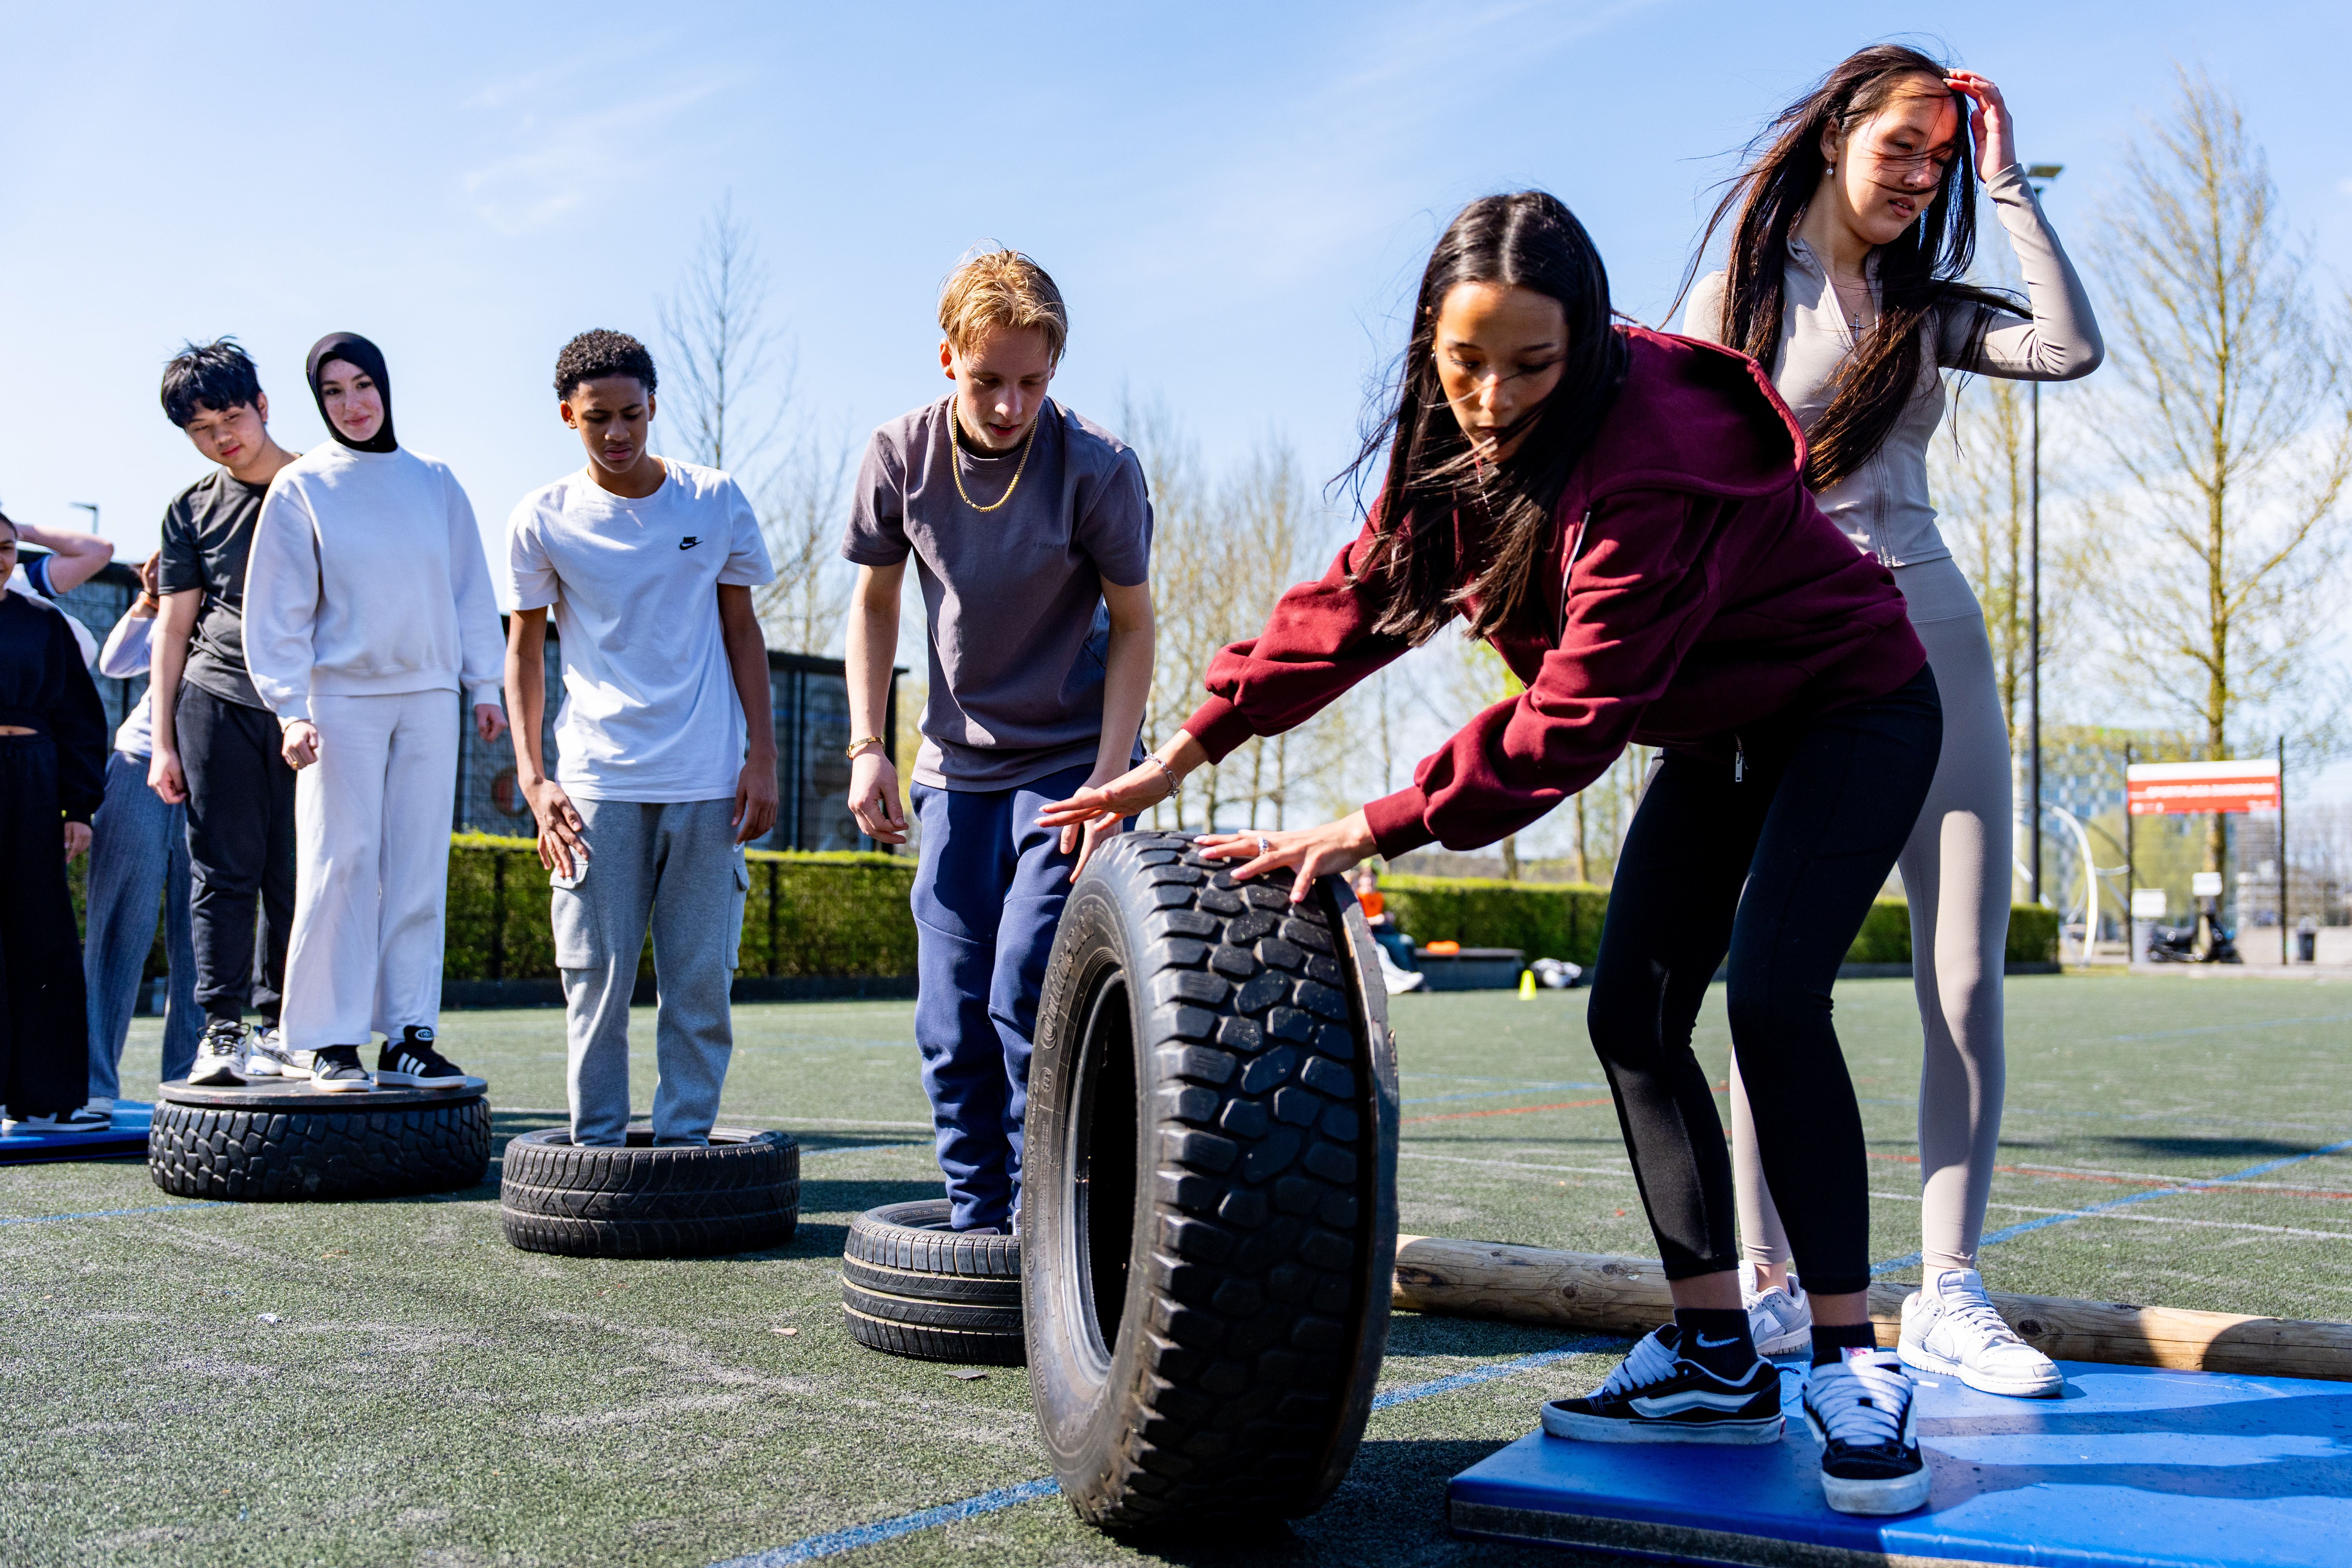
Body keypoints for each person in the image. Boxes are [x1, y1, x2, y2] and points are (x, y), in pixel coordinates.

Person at [1041, 193, 1945, 1515]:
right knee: (1632, 1013)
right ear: (1430, 340)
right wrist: (1195, 741)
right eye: (1466, 362)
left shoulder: (1651, 461)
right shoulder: (1459, 450)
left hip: (1850, 706)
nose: (1493, 396)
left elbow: (1571, 719)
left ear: (1587, 346)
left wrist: (1376, 824)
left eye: (1534, 364)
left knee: (1771, 996)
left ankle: (1853, 1358)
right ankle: (1714, 1351)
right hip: (1720, 736)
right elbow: (1359, 599)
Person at [1677, 47, 2102, 1399]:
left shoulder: (1923, 307)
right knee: (1774, 979)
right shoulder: (1730, 303)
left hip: (1933, 638)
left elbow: (2069, 346)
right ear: (1834, 139)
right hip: (1790, 662)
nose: (1920, 180)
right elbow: (1678, 500)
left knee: (1965, 978)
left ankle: (1952, 1293)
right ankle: (1766, 1280)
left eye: (1940, 160)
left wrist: (2009, 186)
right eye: (1900, 151)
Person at [842, 249, 1154, 1236]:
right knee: (950, 1014)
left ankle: (1047, 1223)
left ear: (1055, 368)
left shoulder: (1099, 468)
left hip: (1069, 762)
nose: (1011, 404)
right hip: (954, 768)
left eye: (1032, 381)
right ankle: (979, 1228)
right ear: (949, 358)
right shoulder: (900, 455)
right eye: (989, 381)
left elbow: (1136, 626)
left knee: (1026, 978)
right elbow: (875, 600)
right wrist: (868, 745)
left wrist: (1114, 778)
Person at [505, 330, 778, 1147]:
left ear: (654, 407)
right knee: (596, 984)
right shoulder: (541, 519)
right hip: (594, 785)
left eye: (631, 414)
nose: (617, 433)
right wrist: (533, 778)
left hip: (706, 781)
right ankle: (592, 1156)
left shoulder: (715, 499)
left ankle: (686, 1151)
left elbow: (743, 632)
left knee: (699, 983)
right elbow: (522, 653)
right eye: (598, 419)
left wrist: (762, 754)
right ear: (568, 416)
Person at [242, 332, 506, 1092]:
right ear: (318, 402)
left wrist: (483, 685)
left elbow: (469, 589)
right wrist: (290, 706)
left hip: (429, 697)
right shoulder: (303, 486)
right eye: (333, 392)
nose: (352, 404)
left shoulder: (437, 483)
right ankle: (326, 1039)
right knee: (340, 859)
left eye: (363, 385)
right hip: (338, 701)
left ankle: (410, 1036)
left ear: (385, 387)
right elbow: (280, 607)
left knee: (419, 864)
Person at [148, 339, 303, 1087]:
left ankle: (286, 1028)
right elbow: (173, 627)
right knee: (222, 871)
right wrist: (163, 746)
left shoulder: (323, 486)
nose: (222, 436)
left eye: (232, 416)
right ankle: (223, 1032)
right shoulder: (189, 508)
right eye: (202, 428)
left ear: (263, 406)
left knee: (300, 873)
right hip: (215, 698)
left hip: (313, 709)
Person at [0, 513, 111, 1133]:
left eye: (8, 548)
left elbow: (80, 721)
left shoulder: (44, 622)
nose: (0, 558)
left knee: (42, 933)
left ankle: (48, 1101)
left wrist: (79, 809)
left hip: (36, 781)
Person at [84, 552, 203, 1109]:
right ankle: (91, 1083)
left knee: (203, 934)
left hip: (221, 779)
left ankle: (191, 1078)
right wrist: (153, 597)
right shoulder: (183, 591)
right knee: (117, 925)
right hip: (141, 767)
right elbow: (114, 663)